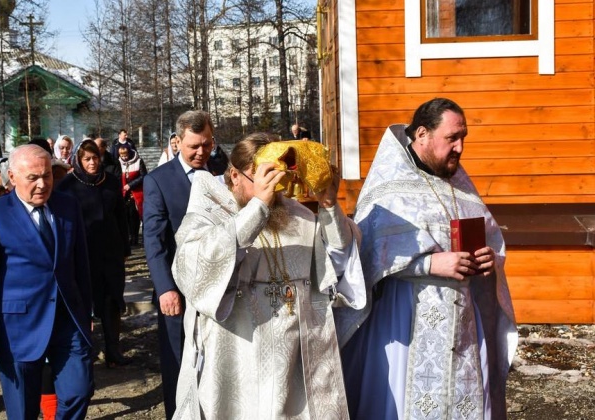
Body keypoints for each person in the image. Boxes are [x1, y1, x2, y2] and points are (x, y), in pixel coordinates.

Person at [341, 98, 516, 419]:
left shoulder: (461, 188)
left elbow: (488, 235)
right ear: (422, 134)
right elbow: (364, 260)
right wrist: (428, 265)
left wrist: (490, 259)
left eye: (463, 137)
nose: (460, 148)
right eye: (452, 138)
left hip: (464, 324)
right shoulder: (388, 191)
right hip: (406, 319)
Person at [172, 133, 366, 418]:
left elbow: (339, 260)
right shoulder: (209, 214)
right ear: (235, 175)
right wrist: (257, 209)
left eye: (277, 177)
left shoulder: (297, 215)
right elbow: (193, 268)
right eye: (261, 177)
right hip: (239, 356)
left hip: (295, 361)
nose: (273, 188)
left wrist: (328, 206)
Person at [0, 144, 93, 419]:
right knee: (23, 410)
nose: (42, 184)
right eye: (32, 178)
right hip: (17, 330)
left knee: (79, 391)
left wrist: (86, 312)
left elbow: (80, 265)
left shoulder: (67, 206)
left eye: (46, 175)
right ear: (12, 177)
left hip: (67, 321)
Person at [142, 110, 217, 419]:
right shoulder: (158, 181)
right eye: (194, 147)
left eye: (207, 145)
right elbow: (154, 242)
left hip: (219, 288)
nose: (201, 153)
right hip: (179, 291)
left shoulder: (224, 173)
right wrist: (165, 289)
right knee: (178, 360)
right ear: (177, 143)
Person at [56, 140, 132, 368]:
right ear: (79, 160)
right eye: (87, 159)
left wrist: (125, 247)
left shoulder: (110, 181)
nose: (92, 163)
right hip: (83, 251)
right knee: (83, 301)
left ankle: (113, 349)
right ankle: (84, 351)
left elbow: (121, 216)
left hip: (110, 251)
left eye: (95, 158)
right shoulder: (68, 185)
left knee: (112, 299)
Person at [117, 144, 147, 246]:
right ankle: (130, 238)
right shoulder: (118, 163)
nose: (124, 157)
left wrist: (130, 185)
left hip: (137, 193)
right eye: (122, 155)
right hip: (124, 194)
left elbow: (144, 176)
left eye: (125, 155)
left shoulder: (139, 161)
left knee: (136, 216)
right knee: (127, 217)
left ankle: (136, 238)